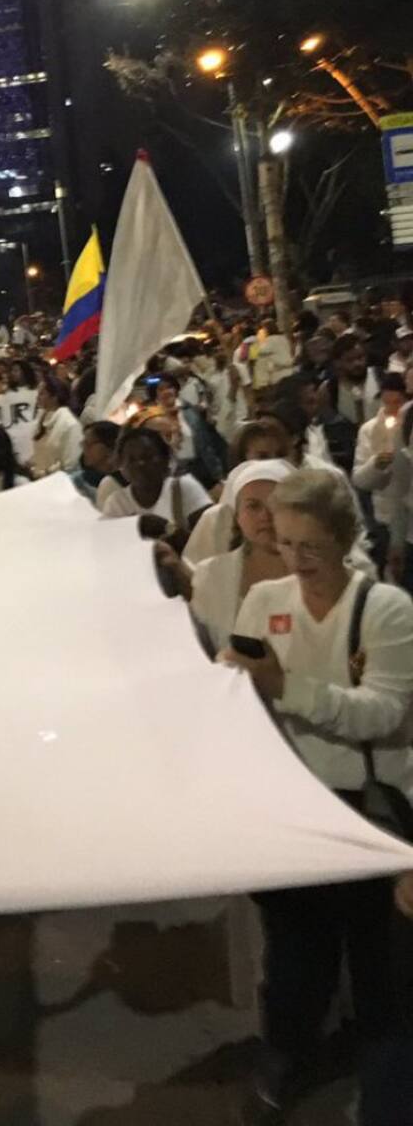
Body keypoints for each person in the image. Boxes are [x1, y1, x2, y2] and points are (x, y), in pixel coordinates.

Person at [223, 468, 413, 1121]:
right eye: (285, 542)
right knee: (295, 954)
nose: (297, 559)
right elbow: (239, 692)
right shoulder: (264, 600)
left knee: (379, 964)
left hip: (368, 809)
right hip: (291, 805)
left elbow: (383, 714)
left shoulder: (385, 608)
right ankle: (291, 1053)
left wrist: (285, 688)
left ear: (344, 537)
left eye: (312, 545)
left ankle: (380, 1077)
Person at [171, 460, 292, 654]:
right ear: (237, 516)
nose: (265, 516)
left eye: (276, 504)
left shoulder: (315, 573)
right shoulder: (210, 575)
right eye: (253, 506)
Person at [100, 426, 212, 544]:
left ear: (165, 459)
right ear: (121, 467)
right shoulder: (117, 503)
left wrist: (168, 529)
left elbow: (210, 538)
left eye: (148, 457)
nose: (140, 464)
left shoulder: (183, 487)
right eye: (131, 460)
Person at [352, 372, 407, 572]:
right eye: (387, 403)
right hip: (385, 514)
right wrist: (376, 464)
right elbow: (359, 479)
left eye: (397, 402)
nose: (392, 409)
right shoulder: (369, 430)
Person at [30, 377, 82, 477]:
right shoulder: (41, 417)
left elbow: (71, 464)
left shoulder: (70, 424)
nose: (37, 397)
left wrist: (46, 472)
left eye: (42, 393)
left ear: (55, 397)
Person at [69, 420, 121, 506]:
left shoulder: (121, 483)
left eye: (88, 444)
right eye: (83, 443)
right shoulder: (77, 481)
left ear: (110, 447)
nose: (84, 448)